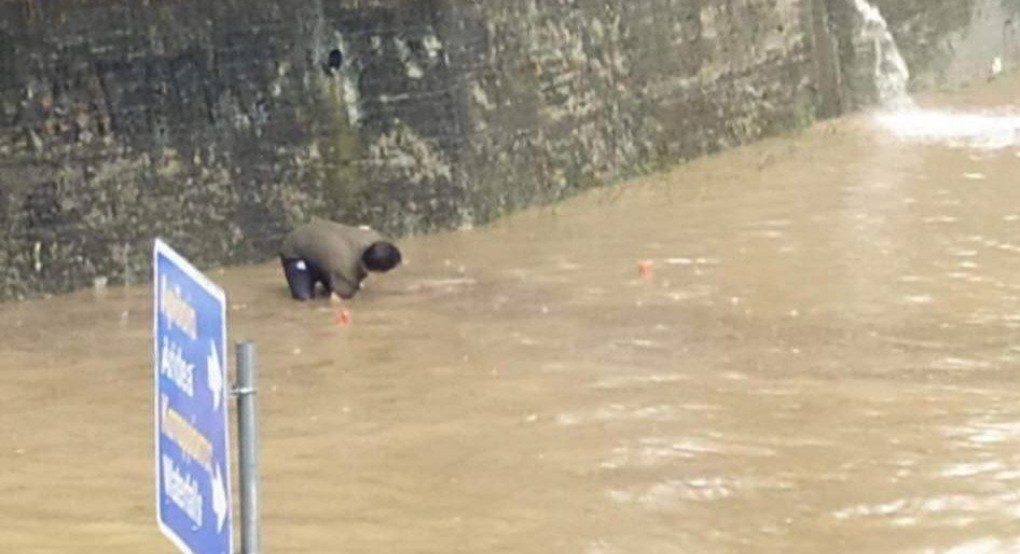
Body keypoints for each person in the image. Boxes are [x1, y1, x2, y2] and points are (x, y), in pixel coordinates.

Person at [279, 218, 402, 300]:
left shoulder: (374, 237)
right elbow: (336, 302)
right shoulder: (347, 273)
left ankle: (324, 272)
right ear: (377, 270)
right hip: (296, 248)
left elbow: (364, 228)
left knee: (337, 282)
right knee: (304, 299)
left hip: (320, 236)